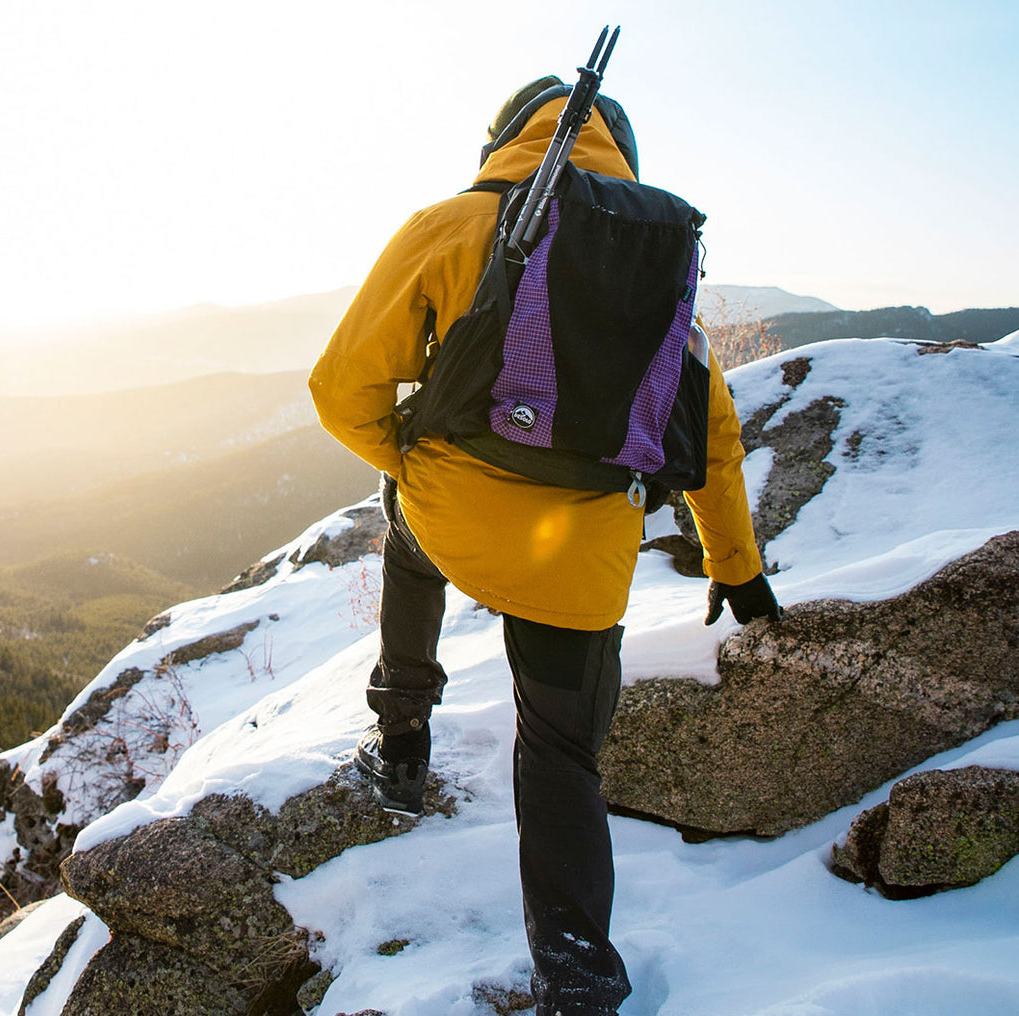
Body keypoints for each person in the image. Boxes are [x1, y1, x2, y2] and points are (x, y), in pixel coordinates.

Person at [308, 77, 781, 1016]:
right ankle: (577, 979)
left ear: (499, 140)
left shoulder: (452, 223)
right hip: (582, 557)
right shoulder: (656, 267)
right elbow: (711, 438)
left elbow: (340, 386)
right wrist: (738, 570)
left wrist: (413, 459)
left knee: (404, 529)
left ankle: (401, 744)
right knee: (561, 756)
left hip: (452, 516)